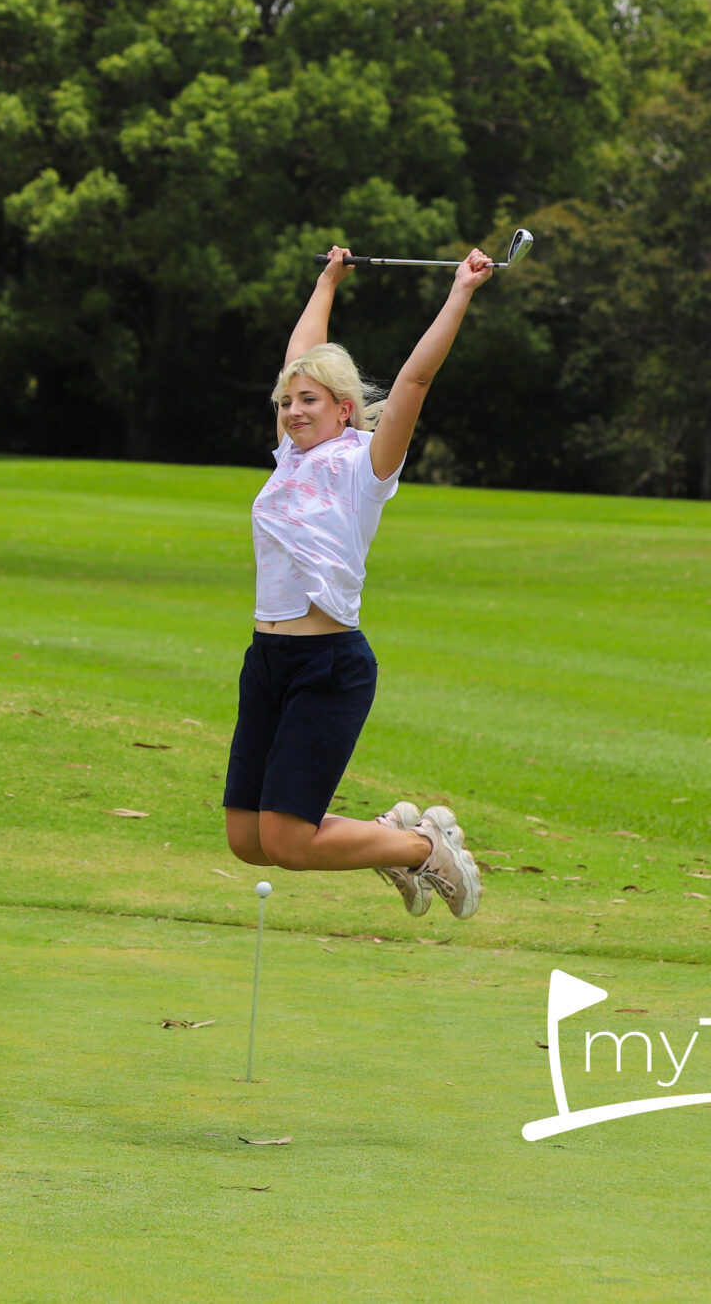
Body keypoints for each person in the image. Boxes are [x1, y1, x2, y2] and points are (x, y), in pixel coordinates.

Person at [224, 244, 495, 920]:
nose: (291, 410)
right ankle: (397, 833)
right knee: (247, 839)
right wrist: (326, 281)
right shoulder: (291, 457)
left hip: (328, 665)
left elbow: (413, 381)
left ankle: (419, 845)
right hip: (267, 661)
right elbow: (301, 351)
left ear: (344, 409)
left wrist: (460, 291)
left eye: (307, 400)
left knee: (286, 837)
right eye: (286, 401)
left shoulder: (364, 466)